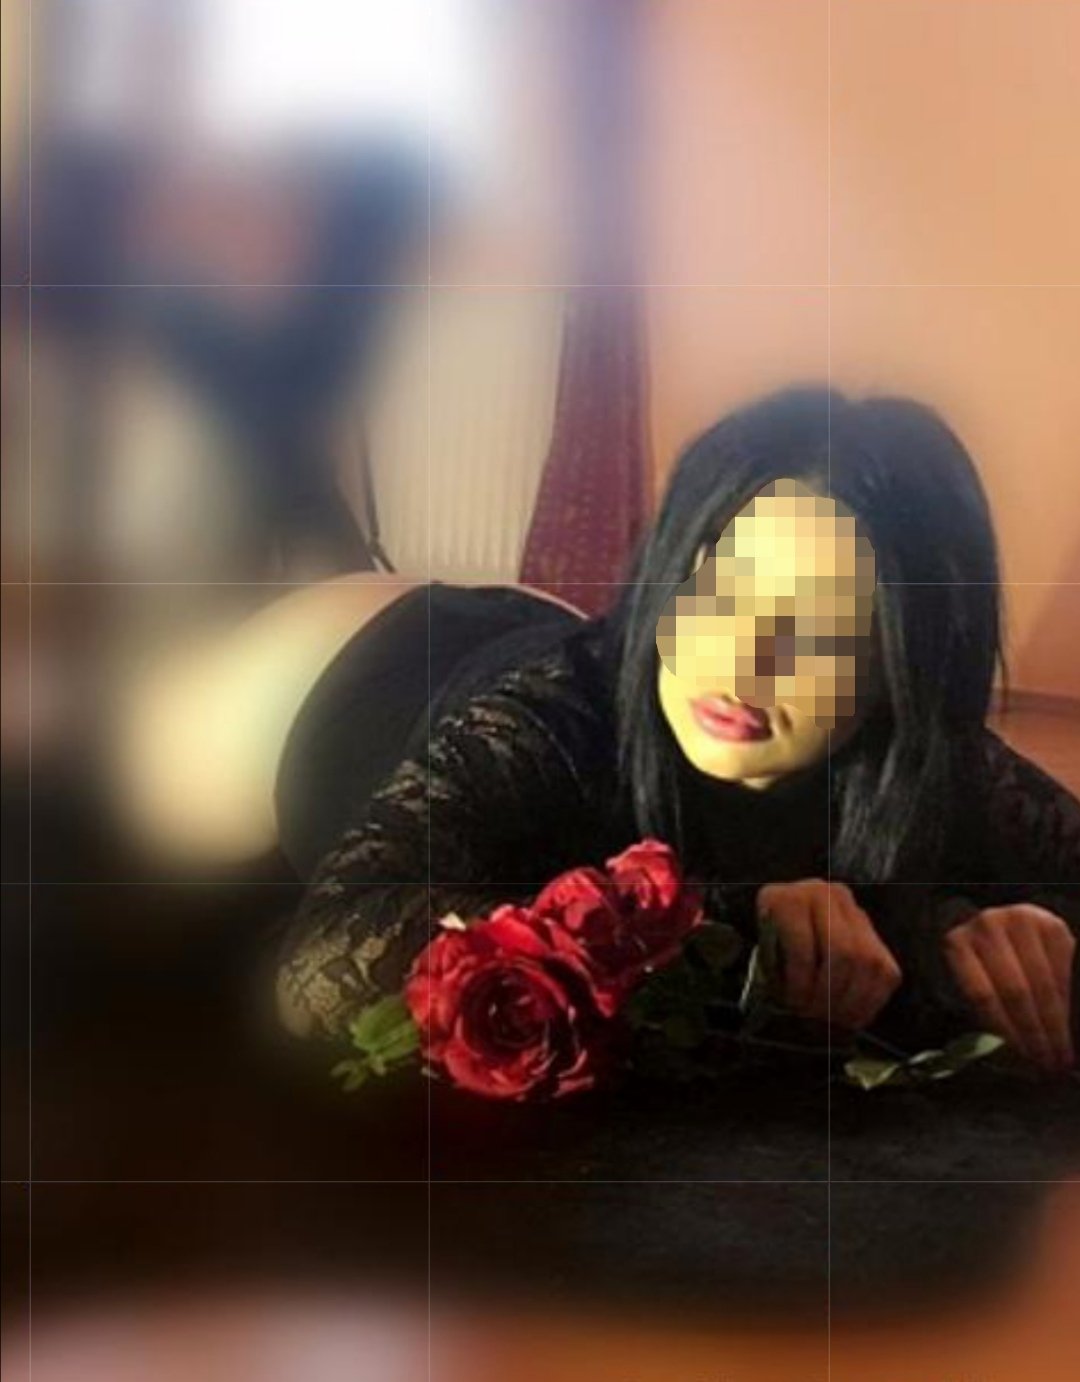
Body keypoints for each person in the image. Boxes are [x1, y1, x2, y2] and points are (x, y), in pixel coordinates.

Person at [114, 388, 1080, 1070]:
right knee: (103, 866)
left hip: (544, 637)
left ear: (906, 666)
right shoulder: (547, 729)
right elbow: (319, 978)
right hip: (319, 680)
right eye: (717, 590)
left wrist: (1027, 933)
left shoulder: (931, 756)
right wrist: (728, 927)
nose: (742, 659)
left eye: (820, 631)